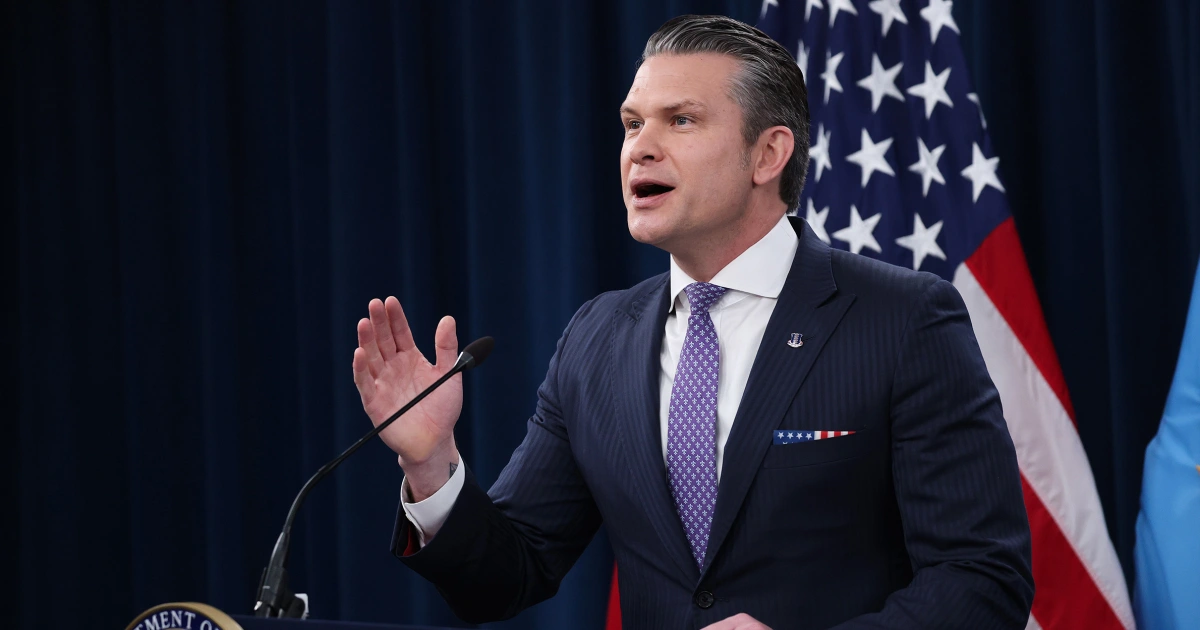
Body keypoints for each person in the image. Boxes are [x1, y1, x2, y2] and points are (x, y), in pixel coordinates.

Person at [351, 15, 1033, 630]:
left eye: (680, 121)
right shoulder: (596, 338)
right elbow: (508, 576)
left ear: (768, 154)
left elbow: (982, 579)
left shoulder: (903, 318)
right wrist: (430, 462)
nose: (639, 148)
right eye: (631, 124)